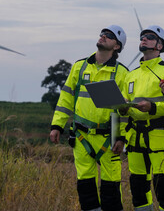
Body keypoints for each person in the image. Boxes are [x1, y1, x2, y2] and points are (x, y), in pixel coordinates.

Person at [50, 25, 129, 211]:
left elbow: (124, 110)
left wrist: (120, 137)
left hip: (108, 139)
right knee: (85, 187)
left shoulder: (122, 73)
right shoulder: (79, 66)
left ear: (117, 47)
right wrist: (57, 125)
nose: (103, 36)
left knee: (111, 189)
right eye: (103, 33)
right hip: (81, 136)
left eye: (109, 36)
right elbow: (66, 98)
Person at [120, 25, 164, 211]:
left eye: (149, 36)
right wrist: (123, 108)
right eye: (142, 36)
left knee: (163, 190)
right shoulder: (131, 75)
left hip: (160, 137)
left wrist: (153, 107)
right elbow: (125, 103)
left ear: (160, 46)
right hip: (134, 138)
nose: (144, 39)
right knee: (138, 190)